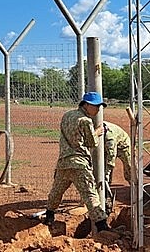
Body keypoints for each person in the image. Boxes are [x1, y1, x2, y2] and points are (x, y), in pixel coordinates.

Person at [43, 91, 110, 232]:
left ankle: (49, 216)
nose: (98, 109)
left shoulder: (67, 115)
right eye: (96, 106)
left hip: (63, 162)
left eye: (99, 106)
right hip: (79, 163)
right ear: (86, 104)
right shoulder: (86, 120)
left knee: (56, 191)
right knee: (90, 194)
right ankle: (102, 225)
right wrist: (98, 132)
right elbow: (92, 143)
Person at [102, 121, 132, 213]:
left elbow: (111, 159)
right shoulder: (94, 128)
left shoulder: (109, 138)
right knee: (102, 170)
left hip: (123, 145)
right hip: (106, 147)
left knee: (129, 169)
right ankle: (106, 193)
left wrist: (106, 174)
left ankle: (136, 192)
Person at [103, 121, 132, 185]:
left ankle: (135, 185)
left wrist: (106, 174)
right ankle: (107, 184)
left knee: (129, 166)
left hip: (123, 144)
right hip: (107, 144)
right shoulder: (93, 127)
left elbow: (111, 157)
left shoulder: (110, 137)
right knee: (103, 165)